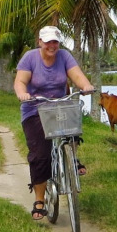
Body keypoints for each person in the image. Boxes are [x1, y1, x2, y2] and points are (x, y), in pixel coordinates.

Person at [13, 26, 93, 221]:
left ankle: (71, 157)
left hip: (59, 106)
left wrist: (85, 85)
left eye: (55, 41)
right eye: (47, 41)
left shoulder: (64, 56)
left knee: (72, 128)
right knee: (40, 155)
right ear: (40, 42)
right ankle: (39, 200)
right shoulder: (30, 58)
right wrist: (23, 94)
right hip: (35, 109)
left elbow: (76, 75)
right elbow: (20, 81)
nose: (51, 45)